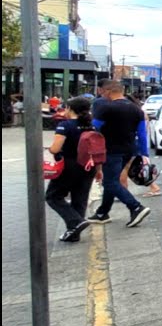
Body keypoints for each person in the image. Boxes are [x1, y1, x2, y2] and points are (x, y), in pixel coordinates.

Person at [88, 81, 151, 228]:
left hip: (111, 150)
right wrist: (145, 153)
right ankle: (102, 212)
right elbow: (142, 134)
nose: (102, 95)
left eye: (102, 92)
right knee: (113, 181)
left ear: (109, 91)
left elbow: (94, 129)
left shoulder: (106, 108)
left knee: (109, 182)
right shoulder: (137, 110)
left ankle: (135, 207)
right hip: (129, 150)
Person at [46, 96, 99, 242]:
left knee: (53, 196)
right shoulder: (92, 126)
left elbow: (56, 148)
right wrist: (99, 171)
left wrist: (50, 149)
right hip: (89, 166)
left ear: (70, 109)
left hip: (69, 166)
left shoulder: (65, 125)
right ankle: (73, 234)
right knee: (79, 200)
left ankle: (75, 222)